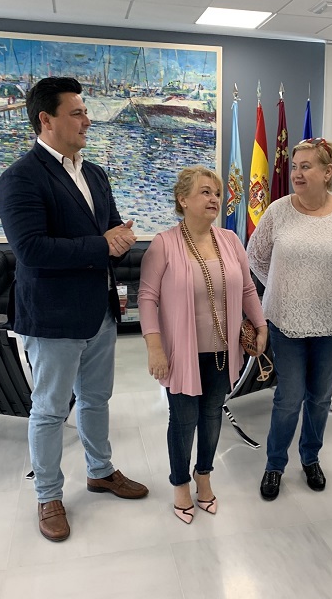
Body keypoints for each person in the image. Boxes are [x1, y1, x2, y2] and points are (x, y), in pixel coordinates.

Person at [0, 76, 148, 543]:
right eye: (77, 113)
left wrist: (119, 241)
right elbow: (31, 249)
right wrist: (102, 244)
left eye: (85, 112)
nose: (87, 120)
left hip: (100, 311)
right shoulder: (20, 178)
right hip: (52, 317)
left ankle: (100, 471)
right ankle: (48, 496)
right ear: (46, 119)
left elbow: (110, 231)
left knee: (97, 399)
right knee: (49, 410)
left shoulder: (95, 173)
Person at [138, 165, 267, 524]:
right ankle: (180, 483)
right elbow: (146, 298)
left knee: (212, 416)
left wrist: (260, 324)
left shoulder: (230, 240)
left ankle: (204, 476)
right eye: (205, 192)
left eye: (217, 192)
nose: (214, 198)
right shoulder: (164, 244)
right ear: (183, 200)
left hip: (223, 351)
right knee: (183, 420)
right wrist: (154, 347)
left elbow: (247, 289)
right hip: (181, 353)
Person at [247, 138, 332, 501]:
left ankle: (310, 458)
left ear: (327, 172)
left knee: (320, 398)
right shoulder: (278, 211)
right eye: (295, 166)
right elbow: (255, 256)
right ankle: (274, 465)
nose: (297, 173)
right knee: (289, 398)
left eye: (306, 166)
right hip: (285, 322)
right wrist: (283, 286)